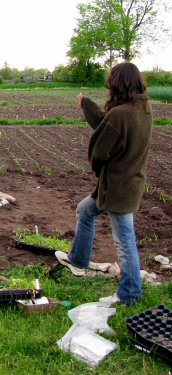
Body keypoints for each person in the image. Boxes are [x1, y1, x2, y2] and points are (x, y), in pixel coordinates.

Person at [55, 62, 152, 306]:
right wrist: (86, 104)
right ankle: (78, 260)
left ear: (118, 84)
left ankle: (130, 295)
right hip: (130, 181)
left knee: (125, 239)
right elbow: (106, 124)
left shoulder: (121, 114)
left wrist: (99, 168)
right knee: (85, 210)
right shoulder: (142, 107)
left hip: (118, 188)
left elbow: (100, 150)